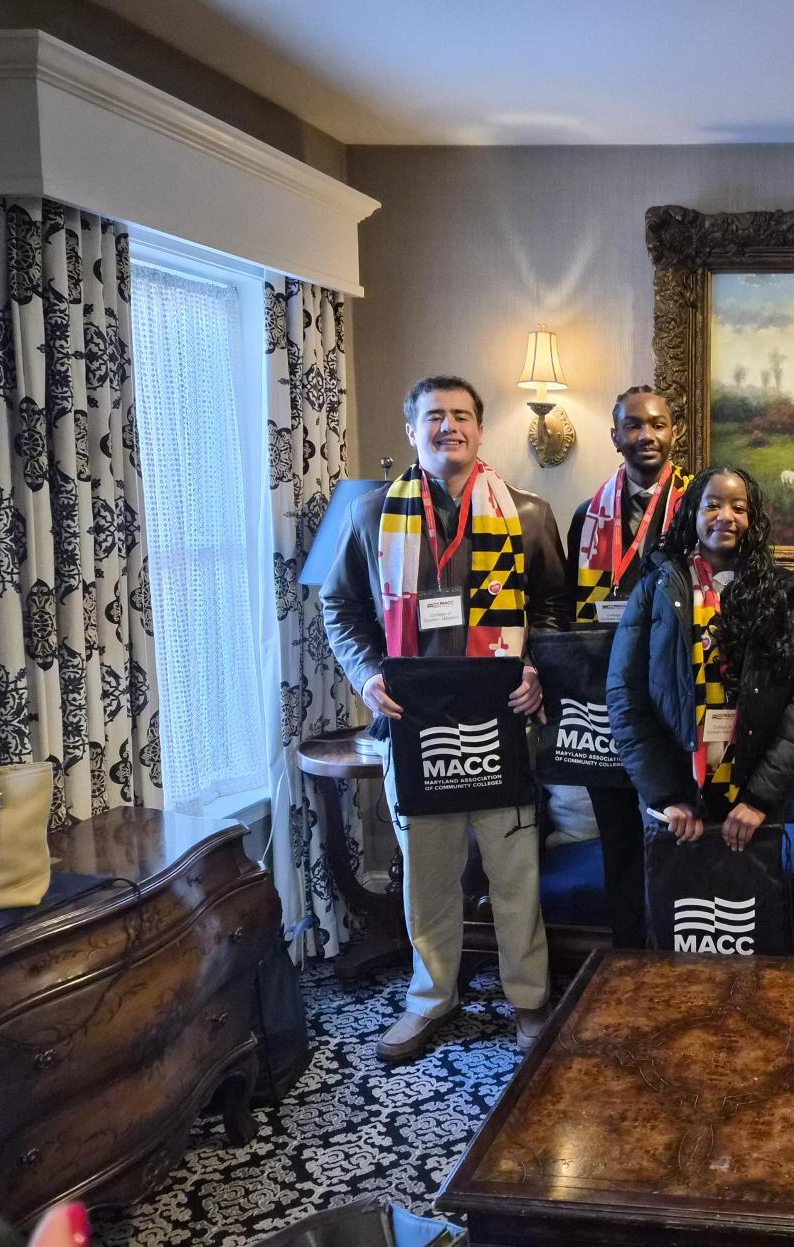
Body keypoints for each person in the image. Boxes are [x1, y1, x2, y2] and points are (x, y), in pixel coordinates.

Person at [322, 375, 571, 1063]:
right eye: (433, 416)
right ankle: (431, 998)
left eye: (461, 415)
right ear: (411, 430)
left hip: (502, 725)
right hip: (413, 725)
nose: (448, 427)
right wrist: (367, 675)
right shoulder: (371, 513)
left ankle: (529, 998)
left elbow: (554, 608)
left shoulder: (528, 514)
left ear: (479, 429)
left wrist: (537, 671)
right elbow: (340, 608)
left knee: (514, 873)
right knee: (427, 875)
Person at [605, 466, 794, 859]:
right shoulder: (656, 588)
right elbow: (625, 693)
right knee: (677, 899)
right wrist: (666, 796)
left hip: (754, 808)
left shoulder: (791, 597)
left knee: (749, 900)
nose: (726, 516)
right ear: (692, 511)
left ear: (752, 519)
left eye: (738, 508)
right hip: (675, 807)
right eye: (712, 505)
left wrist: (759, 799)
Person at [567, 386, 689, 947]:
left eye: (657, 425)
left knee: (680, 839)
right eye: (633, 426)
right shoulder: (585, 517)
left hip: (677, 704)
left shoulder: (700, 507)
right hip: (607, 705)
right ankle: (626, 965)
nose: (646, 436)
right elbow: (569, 613)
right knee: (618, 845)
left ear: (674, 433)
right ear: (615, 436)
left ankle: (681, 966)